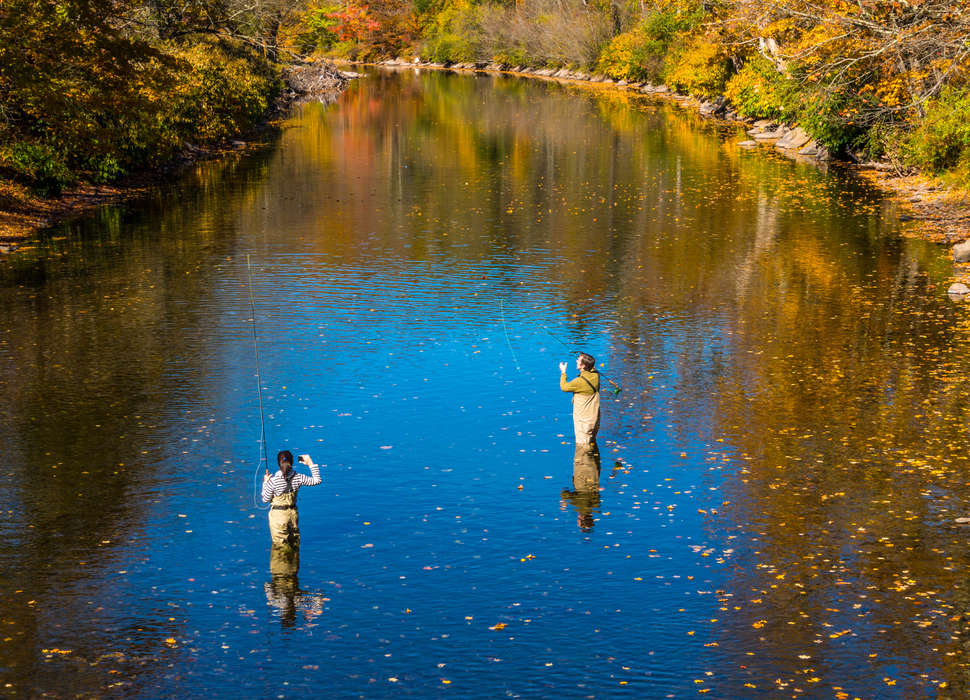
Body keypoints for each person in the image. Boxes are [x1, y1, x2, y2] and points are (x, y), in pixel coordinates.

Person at [262, 450, 321, 546]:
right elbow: (317, 480)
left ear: (279, 464)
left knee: (280, 548)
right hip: (293, 516)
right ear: (291, 463)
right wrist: (310, 463)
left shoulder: (273, 481)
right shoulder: (299, 477)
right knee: (294, 545)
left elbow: (265, 499)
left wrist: (265, 483)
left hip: (278, 518)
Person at [559, 352, 601, 446]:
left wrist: (563, 372)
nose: (576, 361)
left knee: (582, 448)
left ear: (583, 366)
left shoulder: (579, 382)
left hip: (583, 423)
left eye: (578, 360)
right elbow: (593, 369)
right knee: (591, 443)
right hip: (594, 420)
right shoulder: (596, 376)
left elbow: (564, 387)